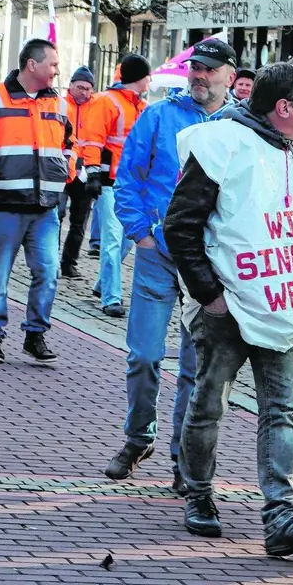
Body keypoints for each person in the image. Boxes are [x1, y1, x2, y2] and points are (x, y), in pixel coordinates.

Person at [164, 61, 293, 556]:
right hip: (228, 306)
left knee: (282, 407)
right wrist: (209, 296)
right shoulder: (221, 145)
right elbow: (180, 225)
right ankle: (198, 493)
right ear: (283, 107)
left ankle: (282, 514)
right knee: (209, 401)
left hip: (283, 306)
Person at [105, 37, 239, 488]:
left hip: (208, 262)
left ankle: (185, 460)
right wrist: (140, 234)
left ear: (230, 77)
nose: (199, 75)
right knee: (143, 355)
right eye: (194, 68)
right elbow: (127, 177)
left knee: (193, 367)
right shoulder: (159, 116)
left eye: (209, 69)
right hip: (158, 255)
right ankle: (138, 435)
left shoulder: (238, 125)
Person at [0, 38, 75, 365]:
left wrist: (68, 167)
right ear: (32, 65)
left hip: (44, 209)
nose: (57, 70)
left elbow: (70, 144)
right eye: (52, 64)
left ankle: (35, 335)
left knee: (48, 273)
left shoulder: (60, 105)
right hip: (3, 206)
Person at [89, 54, 153, 318]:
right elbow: (93, 140)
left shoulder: (144, 107)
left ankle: (103, 283)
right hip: (108, 182)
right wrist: (93, 173)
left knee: (128, 239)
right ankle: (111, 298)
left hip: (133, 185)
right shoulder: (106, 102)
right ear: (140, 77)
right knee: (113, 241)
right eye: (148, 75)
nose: (151, 80)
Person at [60, 67, 105, 279]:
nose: (84, 93)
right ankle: (49, 260)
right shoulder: (60, 104)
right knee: (55, 216)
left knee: (79, 222)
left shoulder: (97, 108)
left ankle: (69, 263)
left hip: (86, 172)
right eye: (80, 88)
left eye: (88, 89)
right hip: (61, 168)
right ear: (70, 86)